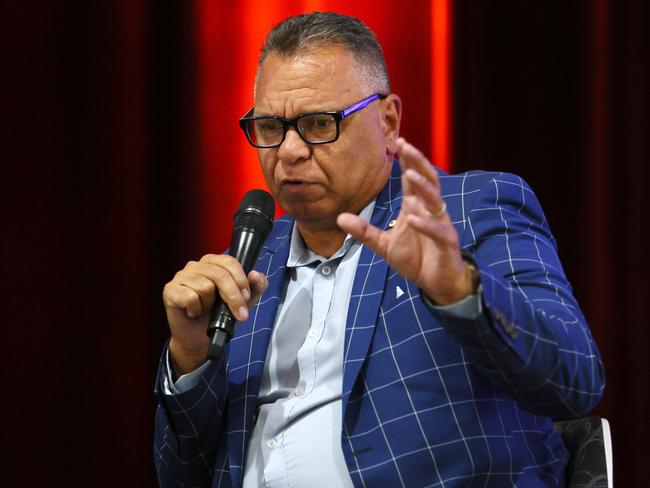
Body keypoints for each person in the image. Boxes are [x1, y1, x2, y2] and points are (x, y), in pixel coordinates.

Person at [154, 12, 604, 488]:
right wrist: (190, 356)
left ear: (388, 122)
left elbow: (575, 381)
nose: (288, 151)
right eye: (269, 126)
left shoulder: (467, 213)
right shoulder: (246, 268)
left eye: (317, 123)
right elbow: (179, 476)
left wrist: (460, 289)